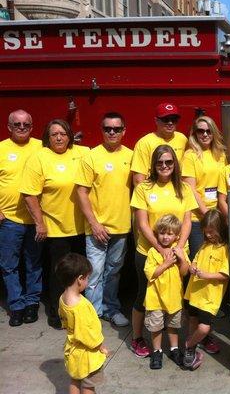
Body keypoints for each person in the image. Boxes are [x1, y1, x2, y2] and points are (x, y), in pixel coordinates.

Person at [130, 144, 197, 358]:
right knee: (144, 296)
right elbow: (142, 224)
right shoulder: (144, 188)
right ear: (153, 165)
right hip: (148, 251)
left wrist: (177, 248)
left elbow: (187, 222)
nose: (164, 166)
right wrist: (160, 248)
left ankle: (174, 343)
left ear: (175, 164)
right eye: (160, 162)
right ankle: (138, 338)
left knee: (176, 296)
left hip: (179, 254)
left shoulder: (184, 189)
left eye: (169, 162)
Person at [20, 119, 88, 329]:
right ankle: (57, 312)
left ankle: (77, 309)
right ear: (47, 138)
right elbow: (29, 195)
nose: (59, 138)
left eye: (63, 134)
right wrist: (39, 223)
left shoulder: (83, 153)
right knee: (60, 272)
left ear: (70, 136)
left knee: (81, 271)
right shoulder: (39, 158)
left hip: (81, 225)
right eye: (54, 134)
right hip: (55, 227)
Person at [75, 112, 133, 327]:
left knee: (114, 272)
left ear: (123, 131)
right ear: (102, 130)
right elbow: (81, 192)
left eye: (116, 129)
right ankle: (94, 313)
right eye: (108, 128)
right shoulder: (91, 157)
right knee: (94, 272)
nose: (112, 132)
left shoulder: (131, 155)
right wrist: (94, 223)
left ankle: (110, 308)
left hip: (121, 226)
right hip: (96, 228)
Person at [0, 109, 43, 327]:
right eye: (17, 124)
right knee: (9, 265)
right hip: (9, 220)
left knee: (33, 263)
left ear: (32, 126)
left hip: (35, 219)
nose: (22, 128)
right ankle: (16, 306)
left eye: (26, 124)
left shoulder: (40, 146)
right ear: (9, 127)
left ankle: (32, 304)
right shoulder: (1, 149)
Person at [183, 209, 230, 371]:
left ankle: (188, 344)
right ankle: (192, 349)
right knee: (193, 320)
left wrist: (206, 275)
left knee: (204, 327)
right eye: (206, 232)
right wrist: (193, 268)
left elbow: (225, 275)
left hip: (210, 297)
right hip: (195, 292)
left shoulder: (225, 249)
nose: (208, 235)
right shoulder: (204, 245)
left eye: (211, 232)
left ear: (220, 229)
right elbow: (194, 262)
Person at [56, 253, 108, 394]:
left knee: (75, 379)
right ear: (80, 279)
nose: (88, 280)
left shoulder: (63, 298)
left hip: (72, 349)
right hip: (86, 355)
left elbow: (64, 321)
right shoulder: (80, 306)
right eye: (87, 277)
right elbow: (87, 334)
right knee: (88, 386)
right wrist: (100, 346)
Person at [144, 214, 190, 370]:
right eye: (162, 233)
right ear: (157, 234)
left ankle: (174, 349)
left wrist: (182, 259)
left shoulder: (180, 250)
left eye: (170, 234)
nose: (165, 237)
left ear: (177, 235)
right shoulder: (152, 252)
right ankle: (157, 352)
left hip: (174, 297)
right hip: (155, 297)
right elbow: (150, 273)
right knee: (156, 327)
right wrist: (166, 263)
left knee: (173, 325)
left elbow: (184, 272)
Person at [182, 115, 227, 260]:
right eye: (200, 131)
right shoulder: (190, 156)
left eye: (209, 131)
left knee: (217, 260)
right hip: (199, 219)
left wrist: (218, 216)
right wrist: (208, 215)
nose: (205, 134)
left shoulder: (221, 155)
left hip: (218, 216)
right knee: (199, 260)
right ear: (194, 134)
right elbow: (190, 189)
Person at [131, 102, 188, 186]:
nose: (170, 123)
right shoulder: (145, 142)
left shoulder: (183, 139)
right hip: (155, 193)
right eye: (166, 119)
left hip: (177, 192)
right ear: (156, 121)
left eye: (174, 119)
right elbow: (138, 181)